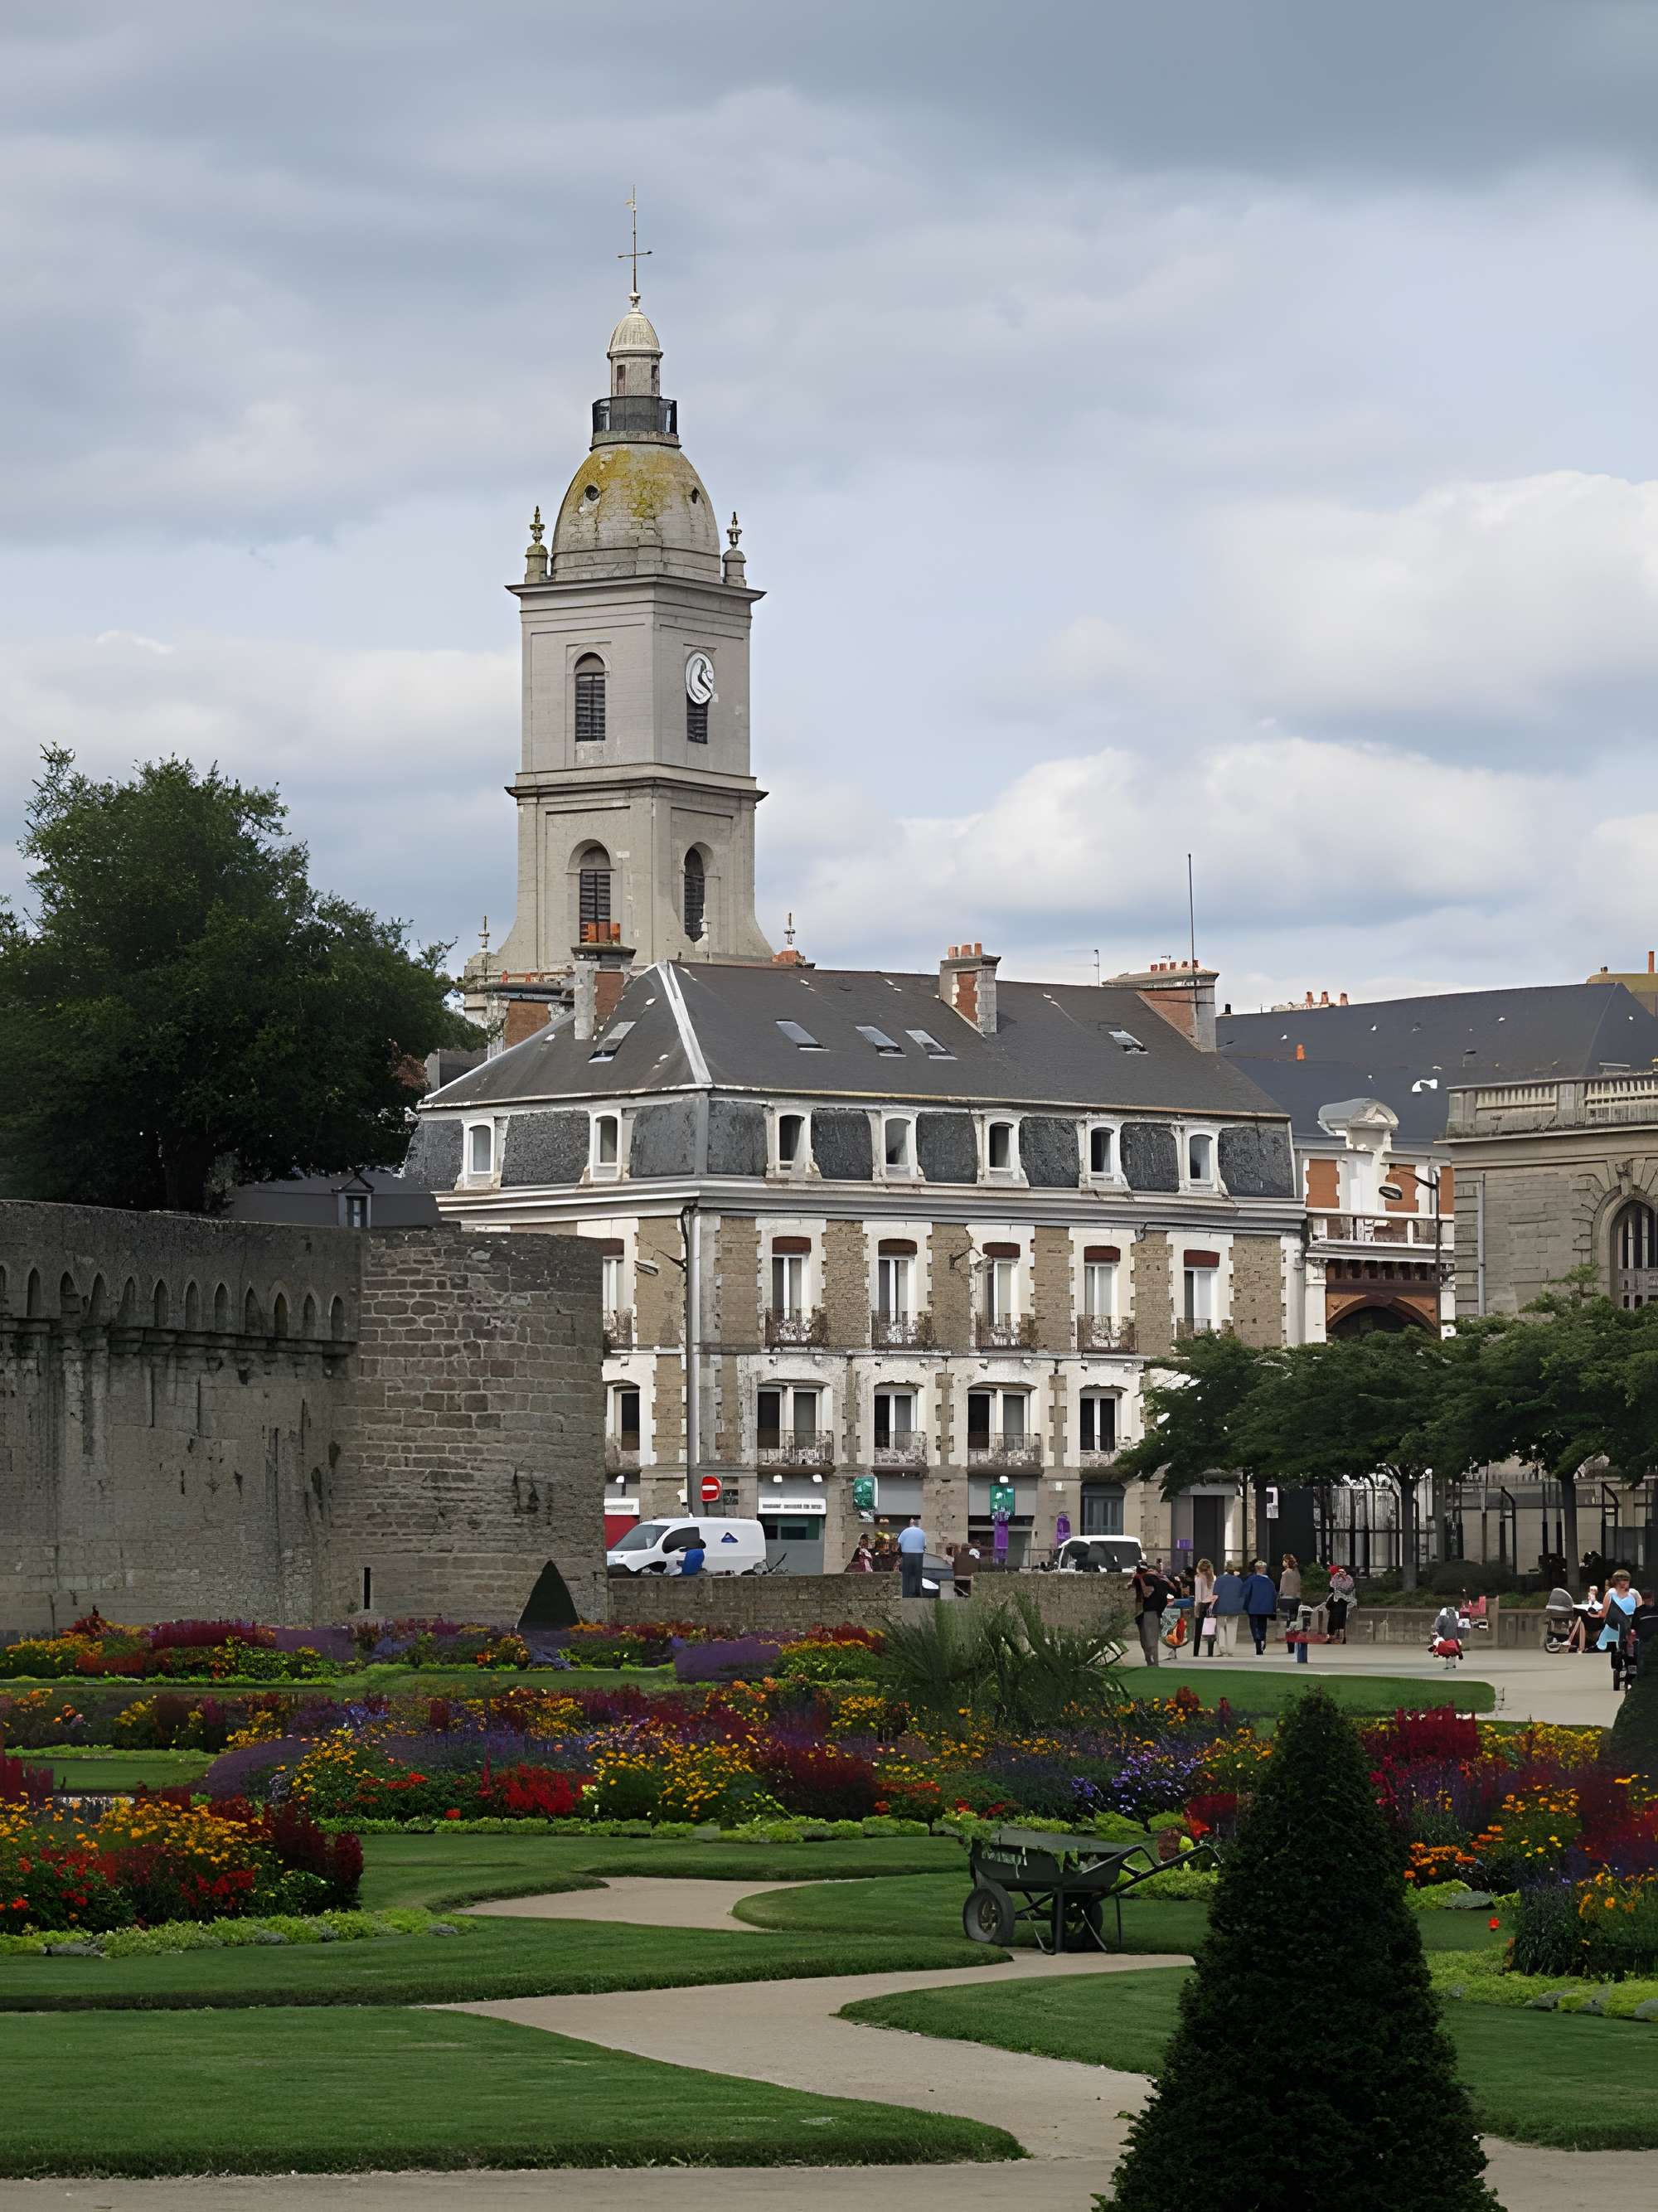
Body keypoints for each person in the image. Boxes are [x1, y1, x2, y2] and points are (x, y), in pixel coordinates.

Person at [1597, 1569, 1639, 1691]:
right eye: (1621, 1581)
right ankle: (1620, 1661)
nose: (1624, 1583)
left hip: (1630, 1627)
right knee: (1617, 1647)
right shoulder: (1611, 1594)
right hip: (1616, 1626)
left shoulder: (1633, 1594)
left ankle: (1629, 1666)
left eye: (1626, 1580)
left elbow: (1640, 1609)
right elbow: (1605, 1613)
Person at [1131, 1560, 1174, 1666]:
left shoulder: (1139, 1578)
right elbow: (1173, 1590)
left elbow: (1130, 1587)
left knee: (1144, 1637)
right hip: (1156, 1611)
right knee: (1152, 1637)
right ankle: (1154, 1660)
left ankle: (1149, 1659)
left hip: (1143, 1610)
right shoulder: (1161, 1579)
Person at [1239, 1559, 1277, 1654]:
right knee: (1263, 1625)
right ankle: (1262, 1639)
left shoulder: (1251, 1580)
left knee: (1254, 1626)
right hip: (1265, 1609)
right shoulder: (1270, 1582)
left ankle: (1258, 1642)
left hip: (1253, 1608)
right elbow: (1273, 1596)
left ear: (1256, 1569)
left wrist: (1245, 1606)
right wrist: (1273, 1608)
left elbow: (1245, 1593)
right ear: (1264, 1569)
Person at [1210, 1561, 1245, 1657]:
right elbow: (1242, 1595)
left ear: (1225, 1569)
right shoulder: (1238, 1581)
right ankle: (1231, 1650)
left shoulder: (1219, 1580)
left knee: (1220, 1627)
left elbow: (1215, 1593)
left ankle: (1222, 1649)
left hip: (1221, 1607)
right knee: (1232, 1627)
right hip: (1234, 1607)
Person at [896, 1515, 928, 1599]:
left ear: (911, 1523)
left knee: (906, 1576)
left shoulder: (905, 1531)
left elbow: (899, 1543)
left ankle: (906, 1594)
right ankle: (917, 1594)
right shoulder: (922, 1533)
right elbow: (924, 1546)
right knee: (917, 1575)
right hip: (918, 1555)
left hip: (907, 1554)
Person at [1190, 1557, 1217, 1657]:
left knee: (1198, 1631)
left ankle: (1196, 1652)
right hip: (1212, 1604)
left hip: (1202, 1605)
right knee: (1210, 1629)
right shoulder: (1214, 1578)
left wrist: (1196, 1609)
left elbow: (1198, 1596)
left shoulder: (1198, 1578)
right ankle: (1210, 1653)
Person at [1326, 1563, 1356, 1644]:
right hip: (1341, 1603)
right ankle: (1338, 1637)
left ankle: (1335, 1637)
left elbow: (1344, 1589)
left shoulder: (1346, 1579)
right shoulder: (1337, 1578)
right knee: (1339, 1619)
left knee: (1336, 1619)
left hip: (1340, 1603)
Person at [1431, 1600, 1464, 1668]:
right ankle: (1451, 1663)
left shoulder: (1452, 1615)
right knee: (1452, 1649)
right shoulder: (1448, 1615)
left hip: (1450, 1636)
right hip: (1450, 1636)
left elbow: (1439, 1626)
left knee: (1451, 1649)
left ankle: (1451, 1663)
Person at [1277, 1554, 1302, 1634]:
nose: (1282, 1563)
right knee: (1293, 1618)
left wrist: (1279, 1596)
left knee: (1285, 1618)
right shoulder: (1297, 1572)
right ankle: (1293, 1632)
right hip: (1296, 1599)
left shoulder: (1285, 1574)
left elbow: (1282, 1588)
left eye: (1283, 1561)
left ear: (1287, 1562)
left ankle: (1287, 1634)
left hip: (1287, 1599)